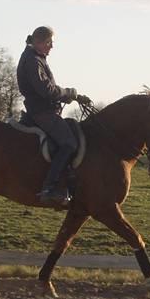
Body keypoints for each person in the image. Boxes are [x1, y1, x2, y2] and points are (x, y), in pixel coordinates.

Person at [16, 26, 91, 205]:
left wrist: (74, 96)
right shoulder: (33, 60)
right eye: (50, 43)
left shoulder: (37, 58)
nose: (52, 47)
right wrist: (69, 93)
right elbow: (46, 90)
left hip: (44, 109)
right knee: (69, 143)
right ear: (40, 42)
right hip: (41, 112)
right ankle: (50, 187)